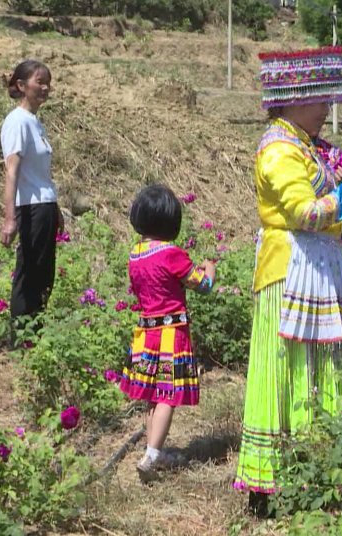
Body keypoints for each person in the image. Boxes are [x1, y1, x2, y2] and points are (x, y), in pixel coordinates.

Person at [233, 46, 342, 515]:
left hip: (320, 266)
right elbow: (304, 213)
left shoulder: (307, 148)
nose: (326, 110)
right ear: (293, 99)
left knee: (326, 364)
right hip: (290, 269)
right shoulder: (279, 150)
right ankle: (277, 480)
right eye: (321, 100)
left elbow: (330, 210)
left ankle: (324, 467)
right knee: (288, 367)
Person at [120, 184, 216, 482]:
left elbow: (138, 289)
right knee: (167, 395)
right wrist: (210, 269)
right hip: (171, 336)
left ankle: (154, 450)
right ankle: (151, 456)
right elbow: (203, 285)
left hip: (146, 334)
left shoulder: (136, 254)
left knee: (151, 395)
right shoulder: (172, 254)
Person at [0, 59, 61, 329]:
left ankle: (36, 330)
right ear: (22, 86)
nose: (45, 87)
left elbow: (41, 175)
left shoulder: (35, 122)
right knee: (29, 271)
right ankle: (21, 334)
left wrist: (55, 208)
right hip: (31, 208)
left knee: (44, 272)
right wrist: (9, 217)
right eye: (40, 82)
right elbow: (11, 172)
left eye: (48, 82)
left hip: (45, 206)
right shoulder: (17, 122)